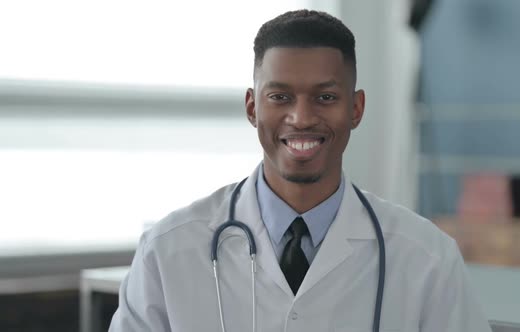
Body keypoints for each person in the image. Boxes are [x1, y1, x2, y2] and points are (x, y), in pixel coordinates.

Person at [109, 9, 492, 332]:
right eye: (280, 97)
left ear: (356, 109)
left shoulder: (427, 259)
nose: (302, 117)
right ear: (252, 107)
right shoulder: (167, 251)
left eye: (325, 97)